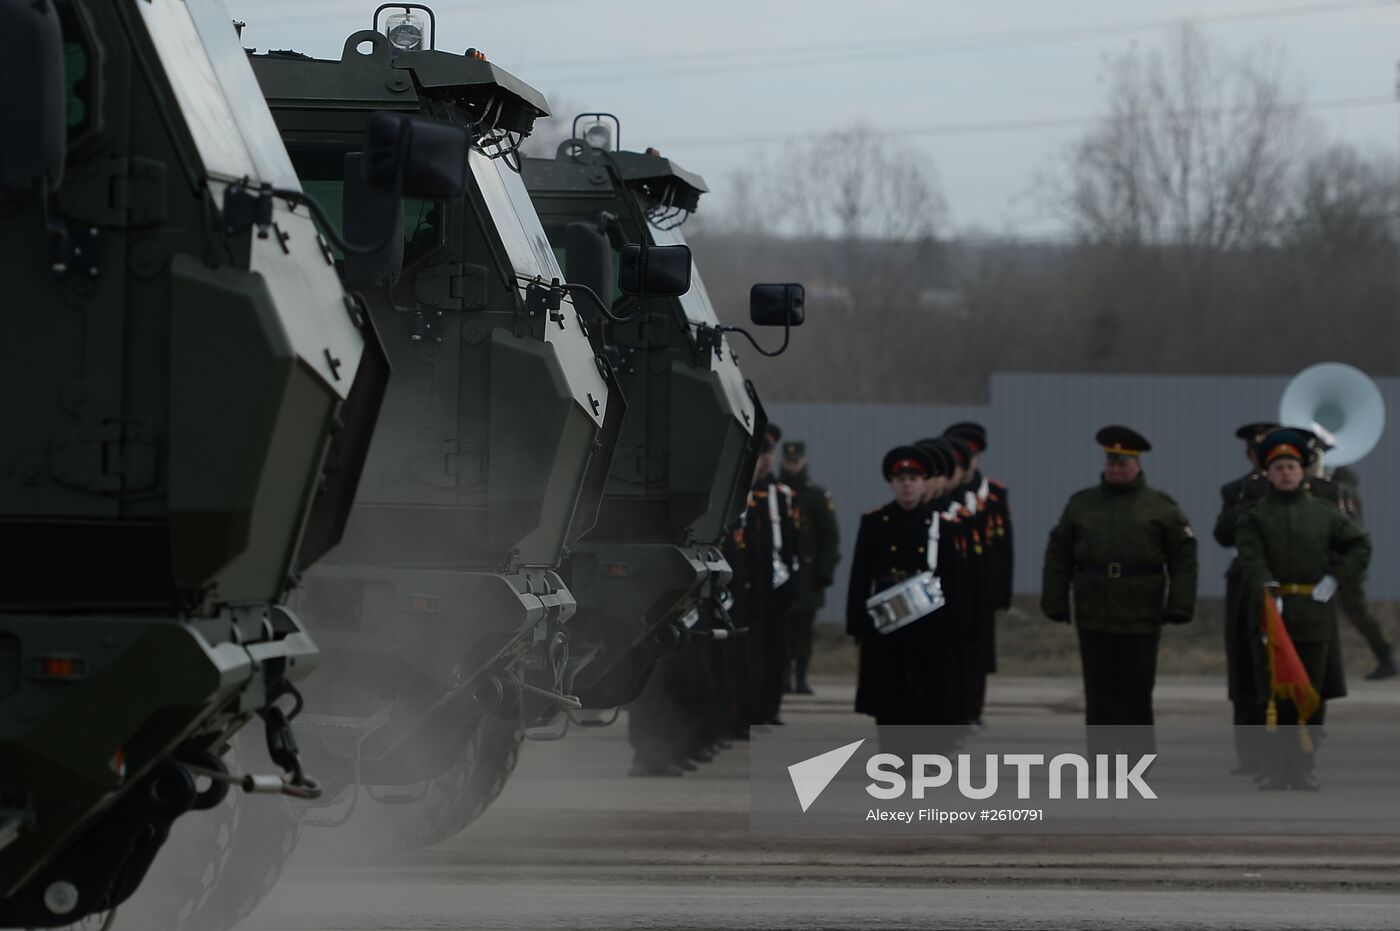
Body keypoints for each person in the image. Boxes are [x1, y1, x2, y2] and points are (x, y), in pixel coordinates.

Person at [1041, 426, 1198, 756]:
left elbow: (1184, 555)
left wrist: (1179, 605)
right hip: (1094, 610)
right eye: (1111, 462)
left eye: (1122, 463)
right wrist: (1055, 600)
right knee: (1099, 692)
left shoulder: (1159, 507)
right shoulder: (1082, 505)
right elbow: (1059, 553)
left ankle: (1137, 758)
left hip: (1140, 612)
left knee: (1136, 691)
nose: (1115, 469)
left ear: (1137, 464)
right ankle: (1102, 758)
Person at [1235, 428, 1371, 790]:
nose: (1286, 473)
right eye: (1278, 467)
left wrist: (1336, 578)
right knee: (1272, 693)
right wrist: (1267, 586)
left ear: (1302, 471)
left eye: (1292, 467)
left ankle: (1303, 765)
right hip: (1271, 613)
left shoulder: (1324, 514)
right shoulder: (1254, 516)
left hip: (1313, 612)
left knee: (1310, 692)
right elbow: (1250, 557)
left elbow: (1359, 545)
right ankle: (1274, 766)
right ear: (1268, 472)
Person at [848, 446, 970, 753]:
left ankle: (927, 755)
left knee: (928, 690)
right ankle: (892, 755)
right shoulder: (875, 522)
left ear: (924, 482)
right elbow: (860, 575)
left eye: (913, 478)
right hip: (887, 621)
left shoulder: (941, 525)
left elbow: (953, 579)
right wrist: (857, 622)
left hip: (929, 621)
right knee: (890, 692)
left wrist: (955, 625)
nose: (907, 484)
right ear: (891, 483)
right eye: (900, 478)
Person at [1213, 421, 1277, 775]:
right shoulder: (1236, 491)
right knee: (1243, 666)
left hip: (1283, 580)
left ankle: (1283, 750)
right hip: (1245, 584)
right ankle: (1249, 752)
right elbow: (1222, 534)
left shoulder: (1302, 488)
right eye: (1257, 452)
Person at [943, 422, 1013, 725]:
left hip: (983, 586)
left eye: (968, 459)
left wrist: (1001, 592)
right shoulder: (944, 495)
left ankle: (975, 707)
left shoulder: (993, 493)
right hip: (953, 586)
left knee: (979, 653)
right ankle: (955, 705)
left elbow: (1003, 545)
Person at [779, 440, 841, 695]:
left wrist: (824, 572)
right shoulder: (777, 493)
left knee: (803, 632)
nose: (792, 466)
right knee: (781, 631)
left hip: (808, 578)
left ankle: (801, 678)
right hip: (781, 578)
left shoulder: (815, 496)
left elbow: (830, 537)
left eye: (796, 462)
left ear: (803, 461)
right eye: (788, 462)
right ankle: (782, 678)